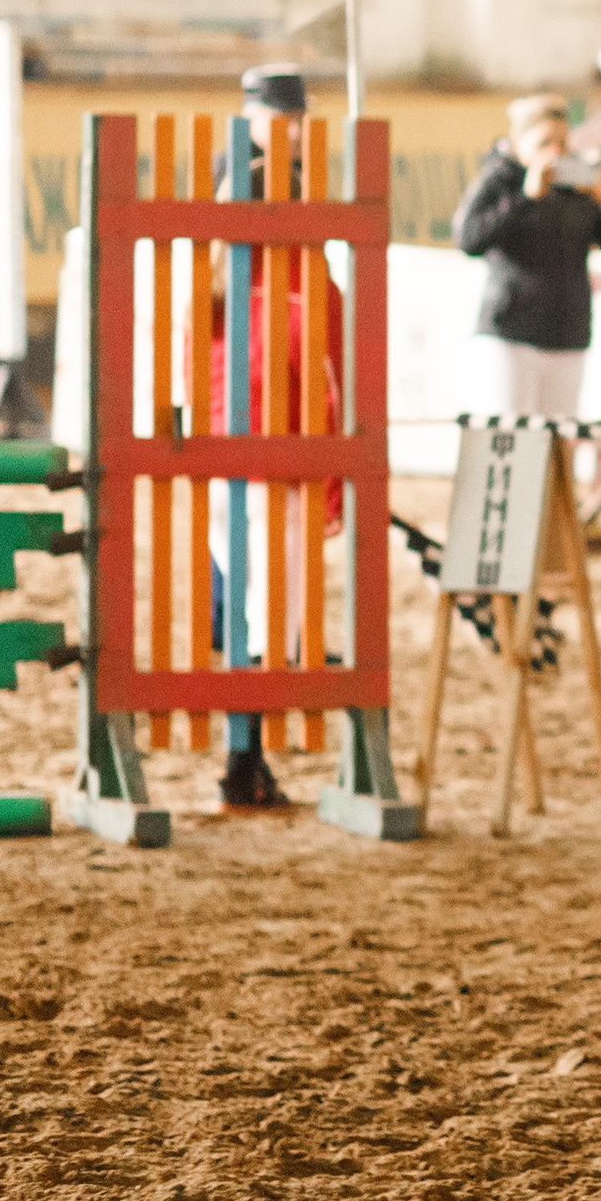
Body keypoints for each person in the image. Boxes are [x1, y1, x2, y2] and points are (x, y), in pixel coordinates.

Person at [213, 64, 345, 808]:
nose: (293, 126)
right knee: (262, 557)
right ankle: (247, 733)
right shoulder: (244, 171)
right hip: (253, 387)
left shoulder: (299, 177)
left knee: (274, 559)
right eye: (282, 115)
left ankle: (256, 714)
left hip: (288, 390)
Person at [452, 93, 601, 417]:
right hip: (508, 333)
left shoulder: (575, 186)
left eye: (562, 142)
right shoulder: (501, 179)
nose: (555, 152)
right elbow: (469, 239)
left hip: (565, 337)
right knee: (510, 439)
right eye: (544, 143)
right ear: (518, 142)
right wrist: (525, 198)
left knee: (554, 447)